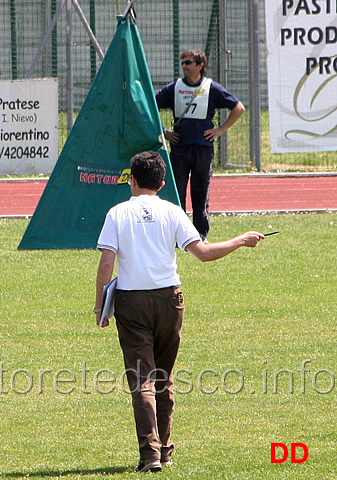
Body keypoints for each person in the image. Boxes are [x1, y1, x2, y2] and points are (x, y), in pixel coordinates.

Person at [93, 151, 263, 472]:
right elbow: (203, 253)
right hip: (170, 300)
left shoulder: (117, 213)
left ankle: (150, 454)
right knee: (163, 378)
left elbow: (106, 262)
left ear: (131, 180)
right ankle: (166, 450)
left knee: (141, 379)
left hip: (131, 301)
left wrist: (102, 305)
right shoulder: (172, 211)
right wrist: (240, 240)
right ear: (161, 182)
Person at [155, 49, 245, 243]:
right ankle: (176, 234)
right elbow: (149, 107)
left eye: (188, 63)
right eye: (183, 63)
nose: (185, 66)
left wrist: (220, 130)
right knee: (177, 193)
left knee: (200, 191)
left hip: (203, 149)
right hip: (179, 148)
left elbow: (238, 107)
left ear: (200, 66)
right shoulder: (174, 88)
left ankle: (199, 234)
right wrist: (164, 132)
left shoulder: (211, 88)